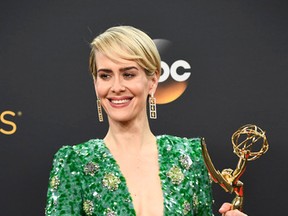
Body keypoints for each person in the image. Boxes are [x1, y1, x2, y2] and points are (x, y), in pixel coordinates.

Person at [45, 26, 248, 216]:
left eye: (128, 74)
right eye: (105, 75)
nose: (116, 87)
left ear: (152, 81)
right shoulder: (73, 162)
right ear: (95, 83)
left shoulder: (189, 157)